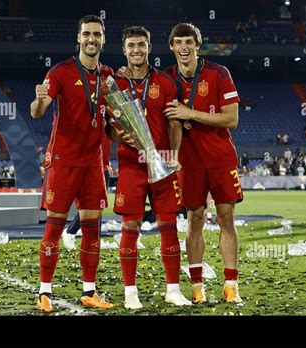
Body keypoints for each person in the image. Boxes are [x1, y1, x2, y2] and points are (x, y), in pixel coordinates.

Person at [30, 15, 114, 312]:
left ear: (103, 39)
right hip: (64, 161)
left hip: (93, 163)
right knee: (54, 227)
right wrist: (40, 100)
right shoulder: (61, 72)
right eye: (87, 34)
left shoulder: (108, 75)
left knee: (92, 229)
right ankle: (44, 292)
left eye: (97, 34)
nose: (92, 39)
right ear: (78, 38)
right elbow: (39, 111)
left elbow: (109, 123)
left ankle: (89, 290)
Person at [107, 26, 191, 309]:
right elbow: (109, 126)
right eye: (131, 45)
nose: (136, 50)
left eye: (141, 45)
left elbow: (174, 122)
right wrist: (117, 135)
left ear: (149, 47)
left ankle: (173, 289)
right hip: (131, 164)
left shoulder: (166, 83)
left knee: (169, 226)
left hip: (162, 163)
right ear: (124, 50)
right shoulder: (115, 83)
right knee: (130, 226)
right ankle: (131, 292)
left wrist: (175, 155)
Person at [163, 23, 243, 304]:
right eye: (178, 42)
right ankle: (197, 287)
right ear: (171, 46)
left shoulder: (219, 73)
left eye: (189, 42)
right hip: (188, 162)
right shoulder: (166, 78)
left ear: (197, 45)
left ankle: (231, 284)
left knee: (226, 219)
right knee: (194, 221)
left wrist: (190, 113)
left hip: (220, 158)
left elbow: (231, 119)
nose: (183, 47)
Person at [61, 131, 113, 250]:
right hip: (92, 164)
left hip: (103, 165)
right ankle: (70, 231)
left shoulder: (105, 116)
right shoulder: (91, 116)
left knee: (99, 205)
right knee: (91, 205)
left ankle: (95, 240)